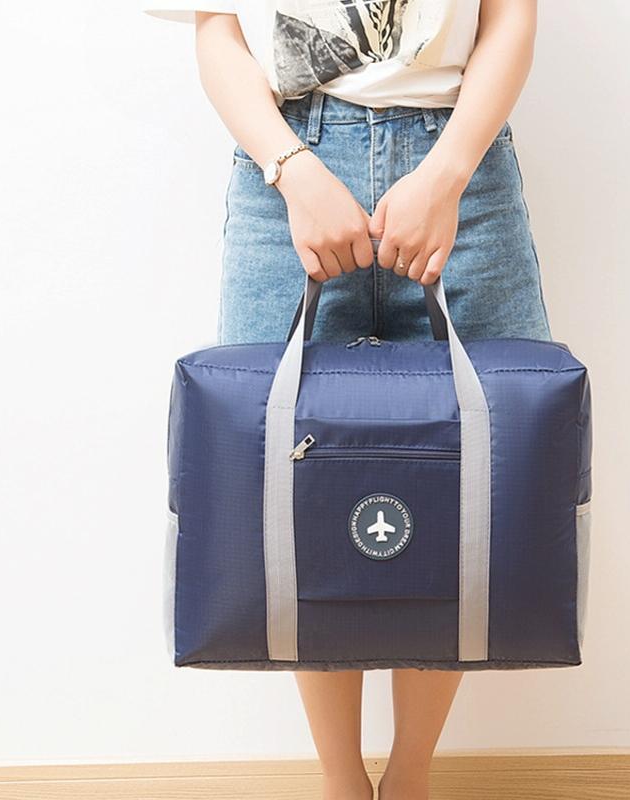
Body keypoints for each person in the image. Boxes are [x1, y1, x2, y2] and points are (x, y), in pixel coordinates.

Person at [144, 2, 552, 798]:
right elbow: (217, 27)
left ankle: (409, 779)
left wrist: (447, 173)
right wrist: (293, 171)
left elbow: (511, 16)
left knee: (473, 474)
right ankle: (340, 782)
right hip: (285, 162)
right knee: (291, 483)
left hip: (460, 161)